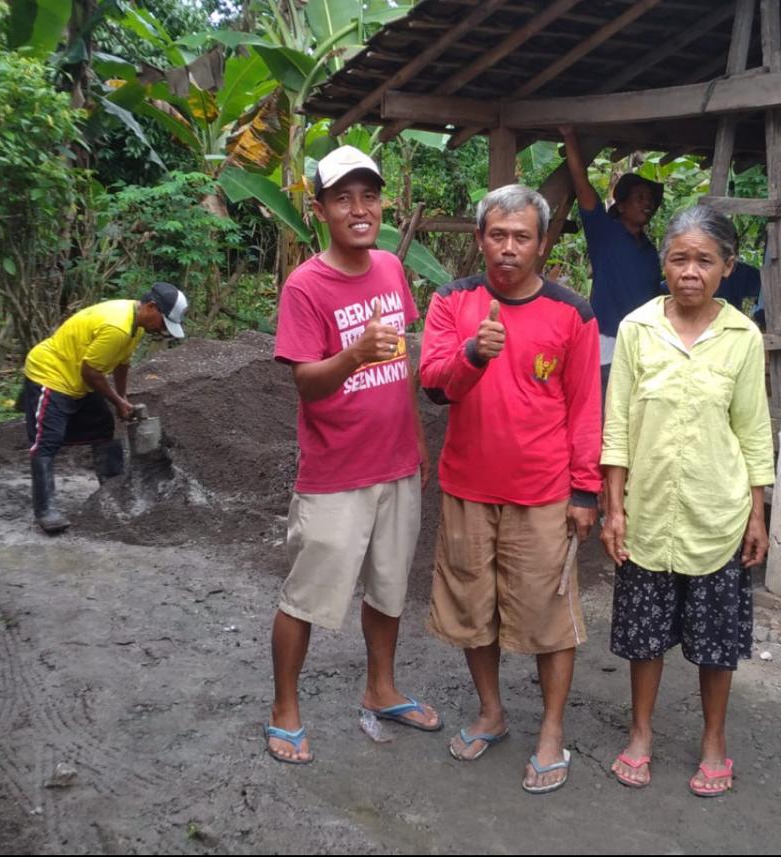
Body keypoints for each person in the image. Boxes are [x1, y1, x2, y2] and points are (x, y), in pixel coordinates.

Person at [419, 184, 602, 794]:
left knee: (550, 616)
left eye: (522, 236)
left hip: (544, 494)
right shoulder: (452, 300)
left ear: (542, 243)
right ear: (479, 239)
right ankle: (492, 713)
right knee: (473, 610)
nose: (508, 247)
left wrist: (585, 493)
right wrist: (474, 353)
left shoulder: (573, 313)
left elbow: (584, 409)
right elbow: (434, 384)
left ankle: (551, 732)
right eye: (497, 235)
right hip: (468, 487)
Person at [265, 145, 438, 765]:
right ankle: (286, 709)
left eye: (368, 196)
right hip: (335, 472)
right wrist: (353, 355)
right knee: (306, 596)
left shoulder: (392, 267)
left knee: (389, 589)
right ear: (320, 210)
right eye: (343, 198)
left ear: (381, 204)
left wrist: (417, 440)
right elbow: (306, 383)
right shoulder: (305, 286)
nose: (359, 209)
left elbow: (402, 368)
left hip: (396, 464)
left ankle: (381, 686)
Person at [601, 206, 773, 796]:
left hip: (716, 517)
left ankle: (714, 741)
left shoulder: (742, 337)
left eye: (705, 260)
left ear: (727, 266)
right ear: (664, 265)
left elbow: (753, 430)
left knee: (716, 642)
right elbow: (617, 425)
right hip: (647, 514)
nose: (691, 271)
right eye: (679, 259)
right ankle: (641, 733)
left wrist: (758, 511)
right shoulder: (636, 330)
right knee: (644, 638)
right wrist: (614, 508)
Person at [22, 283, 188, 533]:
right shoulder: (118, 327)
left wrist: (123, 398)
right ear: (151, 307)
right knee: (47, 440)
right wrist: (117, 402)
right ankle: (45, 511)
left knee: (102, 426)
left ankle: (111, 490)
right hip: (51, 375)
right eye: (163, 322)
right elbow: (90, 371)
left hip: (77, 379)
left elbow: (122, 363)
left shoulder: (135, 326)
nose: (162, 329)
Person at [561, 126, 664, 395]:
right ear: (620, 206)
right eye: (640, 198)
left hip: (643, 343)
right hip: (607, 340)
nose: (647, 204)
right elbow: (581, 182)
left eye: (650, 200)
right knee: (603, 411)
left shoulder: (651, 251)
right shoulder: (604, 233)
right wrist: (570, 135)